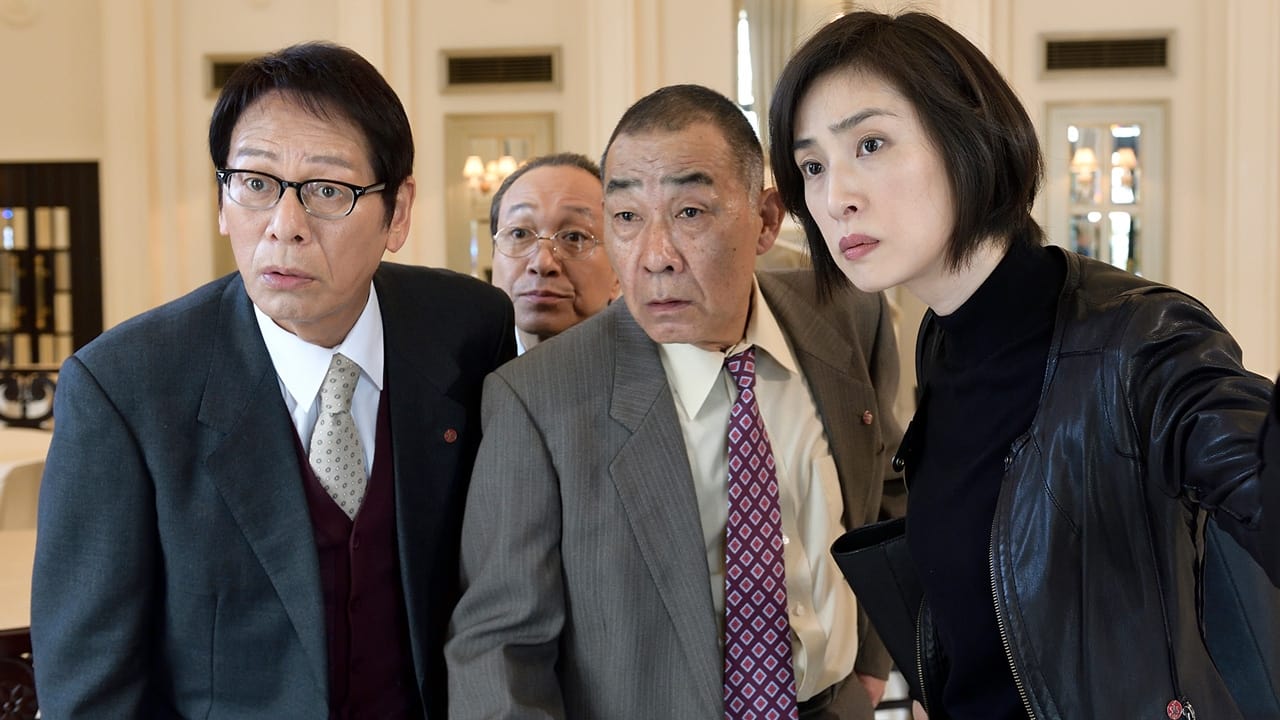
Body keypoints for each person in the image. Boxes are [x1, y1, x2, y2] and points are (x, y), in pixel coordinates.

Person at [768, 10, 1280, 719]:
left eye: (871, 144)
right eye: (813, 166)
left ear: (968, 136)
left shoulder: (1141, 339)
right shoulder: (942, 340)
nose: (835, 198)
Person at [31, 42, 515, 719]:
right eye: (256, 184)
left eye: (328, 191)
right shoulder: (124, 388)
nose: (285, 228)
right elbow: (89, 694)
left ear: (399, 211)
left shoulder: (468, 329)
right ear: (222, 200)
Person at [446, 83, 903, 720]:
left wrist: (873, 662)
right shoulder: (539, 399)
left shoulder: (847, 317)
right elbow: (499, 653)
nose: (655, 257)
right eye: (626, 218)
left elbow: (885, 495)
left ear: (766, 219)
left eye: (690, 212)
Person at [488, 153, 620, 354]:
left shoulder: (657, 367)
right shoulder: (460, 366)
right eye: (519, 234)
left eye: (574, 237)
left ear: (618, 272)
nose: (542, 263)